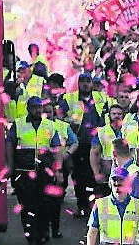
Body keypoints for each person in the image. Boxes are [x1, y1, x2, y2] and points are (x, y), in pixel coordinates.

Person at [6, 96, 63, 244]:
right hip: (24, 173)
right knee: (27, 206)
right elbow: (10, 145)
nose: (38, 110)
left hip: (44, 173)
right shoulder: (18, 124)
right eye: (34, 107)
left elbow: (57, 148)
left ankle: (43, 234)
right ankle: (31, 236)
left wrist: (58, 170)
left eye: (40, 107)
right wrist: (10, 167)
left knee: (45, 205)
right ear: (28, 109)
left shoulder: (49, 125)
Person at [59, 72, 104, 217]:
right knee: (78, 177)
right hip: (79, 144)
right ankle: (82, 206)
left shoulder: (101, 98)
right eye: (82, 81)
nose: (85, 84)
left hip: (97, 144)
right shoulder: (69, 98)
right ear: (78, 84)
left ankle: (96, 207)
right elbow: (58, 117)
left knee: (95, 176)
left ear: (92, 83)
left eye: (88, 81)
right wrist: (68, 126)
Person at [86, 166, 139, 245]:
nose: (117, 183)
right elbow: (92, 233)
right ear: (110, 183)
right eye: (114, 180)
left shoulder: (138, 206)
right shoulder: (100, 204)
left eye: (121, 180)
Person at [43, 102, 78, 240]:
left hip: (59, 167)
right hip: (41, 169)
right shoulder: (36, 126)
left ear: (54, 113)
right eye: (44, 111)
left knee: (55, 202)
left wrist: (67, 154)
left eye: (49, 111)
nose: (47, 114)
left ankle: (55, 229)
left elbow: (74, 142)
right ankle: (44, 230)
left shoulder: (63, 126)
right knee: (42, 202)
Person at [91, 104, 125, 197]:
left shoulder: (128, 131)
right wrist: (96, 173)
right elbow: (94, 153)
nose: (117, 116)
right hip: (106, 171)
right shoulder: (101, 131)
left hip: (124, 171)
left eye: (119, 114)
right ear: (109, 115)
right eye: (114, 113)